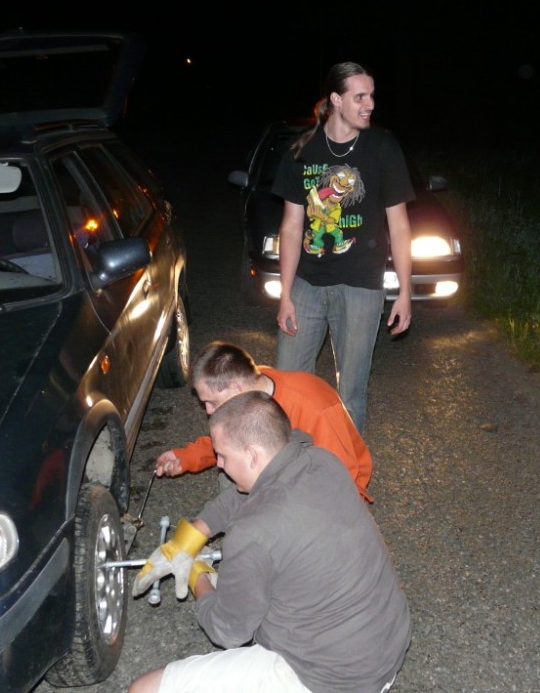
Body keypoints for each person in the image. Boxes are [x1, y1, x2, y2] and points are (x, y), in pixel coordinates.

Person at [129, 391, 411, 693]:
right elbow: (245, 495)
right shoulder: (322, 461)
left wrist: (197, 573)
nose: (219, 464)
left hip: (335, 680)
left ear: (252, 455)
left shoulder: (252, 533)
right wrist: (190, 537)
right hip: (387, 643)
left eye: (223, 455)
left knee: (143, 689)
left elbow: (227, 631)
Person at [273, 61, 414, 434]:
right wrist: (285, 294)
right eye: (360, 97)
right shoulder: (301, 151)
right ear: (336, 99)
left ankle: (347, 464)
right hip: (306, 285)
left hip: (362, 286)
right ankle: (294, 461)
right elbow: (291, 227)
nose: (370, 104)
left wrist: (404, 291)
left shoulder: (383, 148)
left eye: (372, 96)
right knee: (288, 386)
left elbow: (400, 226)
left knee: (350, 393)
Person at [154, 340, 373, 501]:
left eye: (211, 402)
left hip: (324, 484)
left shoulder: (312, 407)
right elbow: (229, 441)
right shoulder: (250, 388)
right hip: (283, 467)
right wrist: (186, 457)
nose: (209, 412)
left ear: (235, 389)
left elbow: (343, 478)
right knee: (232, 474)